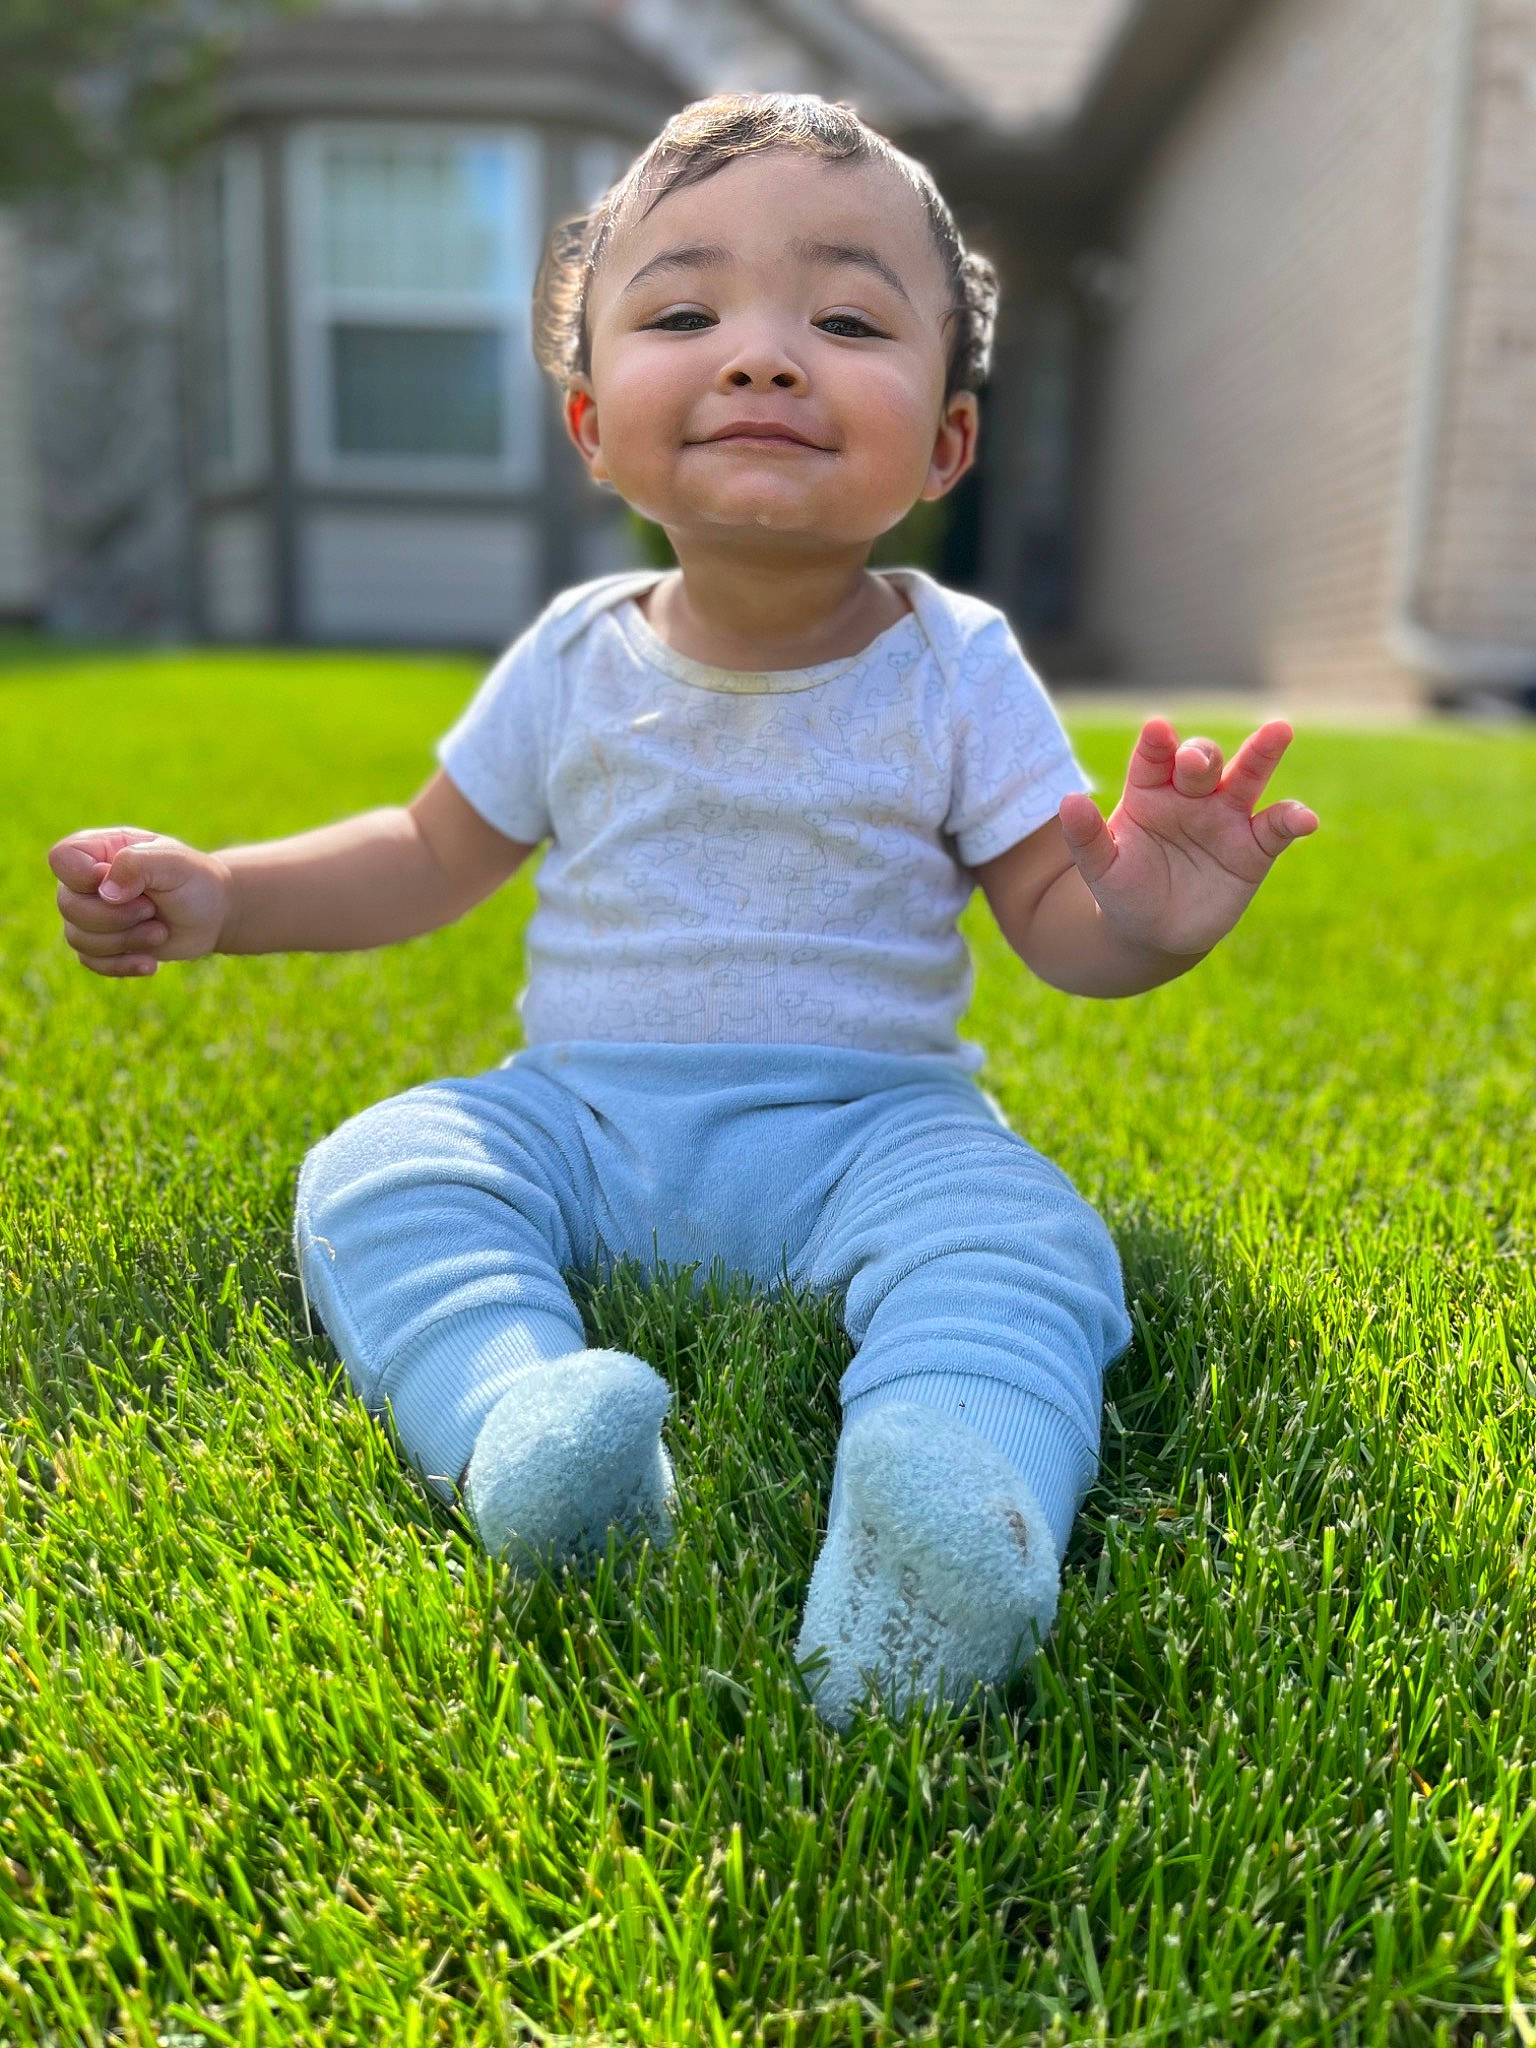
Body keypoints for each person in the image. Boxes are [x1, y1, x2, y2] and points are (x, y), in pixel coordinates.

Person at [46, 92, 1317, 1732]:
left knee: (1024, 1239)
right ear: (591, 423)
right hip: (584, 1121)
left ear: (946, 443)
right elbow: (426, 852)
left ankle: (949, 1492)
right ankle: (528, 1430)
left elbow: (1058, 917)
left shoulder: (956, 664)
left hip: (873, 1132)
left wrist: (1145, 916)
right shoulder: (577, 653)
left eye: (846, 321)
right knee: (382, 1169)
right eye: (684, 313)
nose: (764, 358)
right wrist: (226, 895)